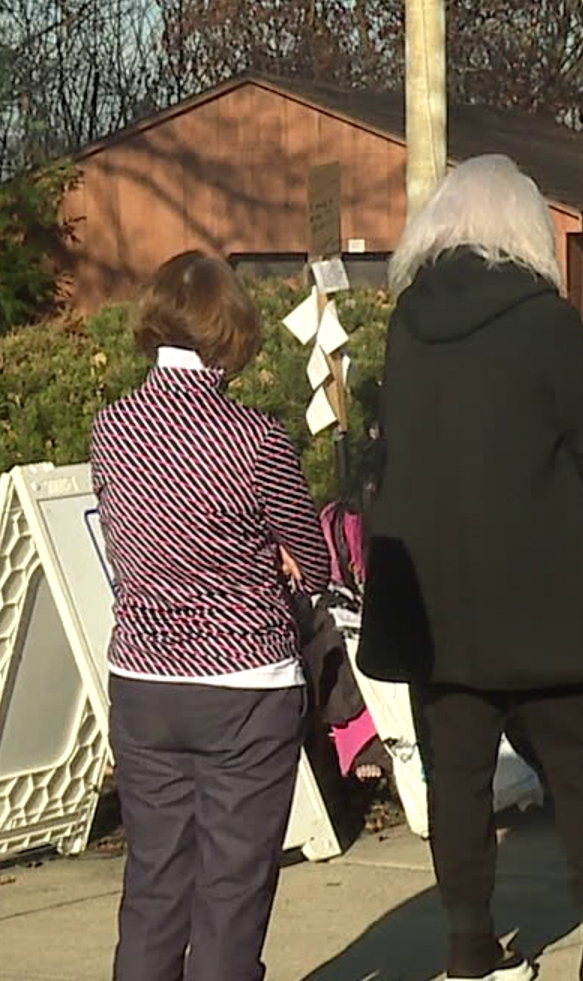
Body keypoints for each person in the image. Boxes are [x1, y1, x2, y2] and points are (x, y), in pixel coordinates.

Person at [355, 155, 583, 981]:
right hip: (542, 590)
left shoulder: (405, 325)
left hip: (435, 601)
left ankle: (471, 950)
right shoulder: (547, 320)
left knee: (458, 780)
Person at [89, 251, 333, 981]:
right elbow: (313, 563)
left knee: (154, 883)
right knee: (230, 891)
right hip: (244, 681)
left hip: (142, 677)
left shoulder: (111, 429)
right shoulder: (256, 438)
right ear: (231, 332)